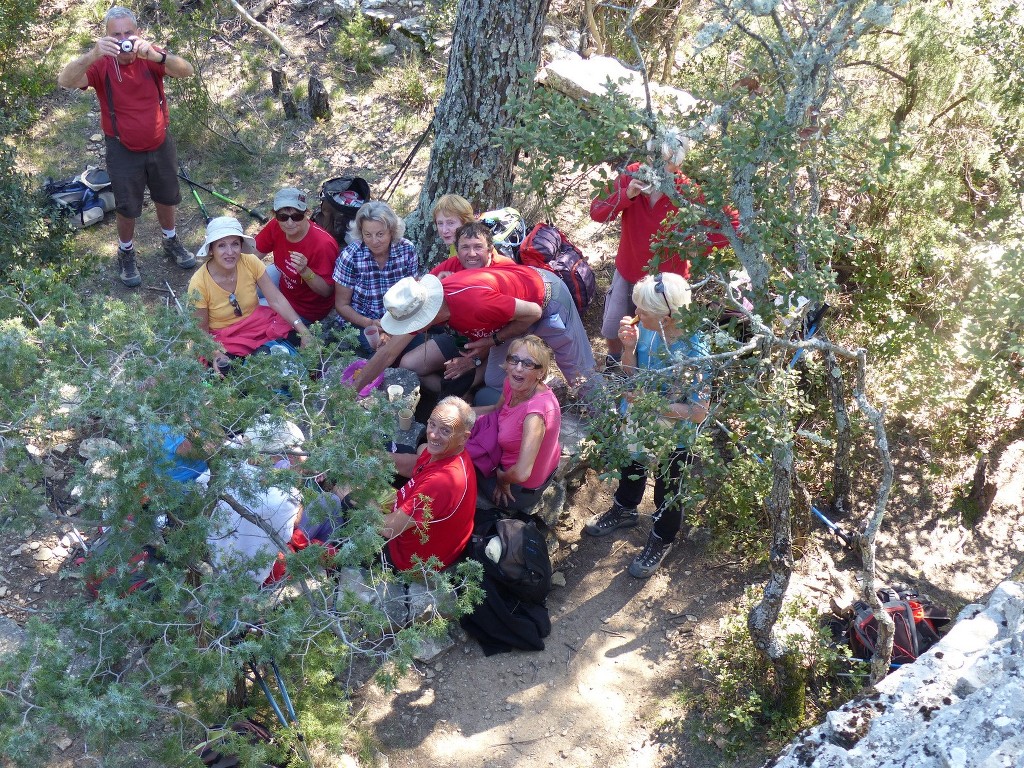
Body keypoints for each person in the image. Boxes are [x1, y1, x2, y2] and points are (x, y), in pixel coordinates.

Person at [57, 6, 196, 288]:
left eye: (128, 33)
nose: (123, 39)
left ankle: (171, 240)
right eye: (116, 34)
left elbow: (187, 71)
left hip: (160, 141)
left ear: (138, 33)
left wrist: (156, 55)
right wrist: (92, 54)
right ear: (107, 37)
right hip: (122, 146)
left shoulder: (149, 55)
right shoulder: (102, 63)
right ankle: (126, 250)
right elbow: (65, 81)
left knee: (167, 196)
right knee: (127, 205)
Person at [582, 273, 709, 579]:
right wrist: (628, 347)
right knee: (631, 464)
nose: (637, 314)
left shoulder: (697, 350)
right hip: (638, 420)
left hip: (675, 432)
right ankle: (625, 508)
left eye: (644, 310)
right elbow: (631, 373)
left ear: (668, 316)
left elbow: (698, 412)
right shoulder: (648, 331)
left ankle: (662, 537)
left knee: (669, 486)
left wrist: (651, 404)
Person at [358, 243, 596, 405]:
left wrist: (493, 341)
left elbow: (533, 312)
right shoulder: (422, 304)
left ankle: (610, 427)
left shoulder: (474, 303)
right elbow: (388, 353)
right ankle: (536, 399)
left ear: (425, 315)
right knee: (494, 380)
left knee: (579, 374)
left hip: (546, 299)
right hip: (511, 315)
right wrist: (351, 393)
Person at [590, 129, 737, 368]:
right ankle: (616, 369)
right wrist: (626, 194)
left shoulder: (686, 191)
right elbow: (597, 211)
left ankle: (653, 387)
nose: (656, 165)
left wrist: (696, 248)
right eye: (653, 157)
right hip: (628, 272)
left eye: (665, 160)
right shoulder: (632, 175)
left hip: (665, 287)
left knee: (659, 340)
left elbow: (733, 224)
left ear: (677, 163)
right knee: (615, 328)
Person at [187, 217, 312, 371]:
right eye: (221, 246)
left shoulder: (250, 262)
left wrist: (303, 331)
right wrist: (216, 354)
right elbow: (200, 331)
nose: (230, 252)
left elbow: (276, 299)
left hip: (259, 323)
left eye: (235, 244)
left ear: (241, 245)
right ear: (211, 250)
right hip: (226, 338)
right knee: (231, 374)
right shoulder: (199, 283)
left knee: (304, 343)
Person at [404, 223, 514, 397]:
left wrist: (473, 361)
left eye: (478, 247)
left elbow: (515, 328)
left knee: (463, 385)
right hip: (462, 337)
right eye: (465, 247)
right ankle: (458, 397)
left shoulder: (505, 272)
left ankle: (463, 397)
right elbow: (422, 297)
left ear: (490, 249)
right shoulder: (452, 266)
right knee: (409, 365)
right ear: (457, 249)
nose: (471, 254)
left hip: (496, 345)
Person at [380, 397, 478, 571]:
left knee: (346, 499)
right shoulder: (447, 452)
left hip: (408, 560)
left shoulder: (441, 482)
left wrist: (357, 499)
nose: (433, 434)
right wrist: (373, 458)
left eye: (445, 431)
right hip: (427, 533)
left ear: (464, 437)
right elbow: (414, 464)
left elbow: (388, 529)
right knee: (400, 451)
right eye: (432, 424)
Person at [468, 336, 561, 514]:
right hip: (523, 459)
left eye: (528, 364)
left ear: (540, 373)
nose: (518, 368)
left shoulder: (534, 415)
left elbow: (521, 473)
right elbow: (497, 408)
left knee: (459, 455)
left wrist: (502, 480)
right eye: (514, 359)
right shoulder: (514, 383)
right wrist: (460, 411)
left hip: (517, 488)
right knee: (482, 396)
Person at [332, 201, 418, 354]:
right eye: (368, 235)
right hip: (362, 322)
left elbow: (412, 295)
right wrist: (369, 323)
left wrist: (393, 327)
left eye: (380, 234)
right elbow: (342, 305)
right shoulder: (350, 256)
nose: (374, 241)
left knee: (418, 352)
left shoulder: (407, 250)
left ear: (391, 231)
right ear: (360, 233)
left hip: (400, 320)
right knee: (383, 354)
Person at [254, 187, 337, 326]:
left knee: (250, 311)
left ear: (306, 214)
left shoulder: (323, 244)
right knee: (238, 296)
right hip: (284, 280)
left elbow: (327, 291)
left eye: (297, 216)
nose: (290, 223)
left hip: (305, 309)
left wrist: (305, 271)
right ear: (275, 216)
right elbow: (254, 255)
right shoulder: (276, 226)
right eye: (283, 217)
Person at [429, 195, 513, 278]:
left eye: (450, 223)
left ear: (466, 222)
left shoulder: (489, 256)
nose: (444, 230)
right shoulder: (454, 248)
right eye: (440, 223)